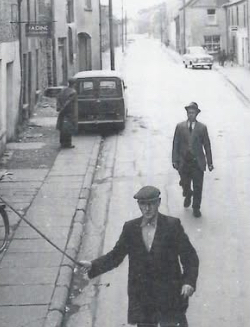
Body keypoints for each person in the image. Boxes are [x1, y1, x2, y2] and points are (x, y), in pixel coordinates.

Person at [78, 186, 199, 327]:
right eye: (142, 204)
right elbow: (116, 256)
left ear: (158, 202)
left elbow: (190, 257)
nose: (147, 209)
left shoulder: (172, 226)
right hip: (143, 298)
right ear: (138, 205)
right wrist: (93, 265)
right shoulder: (130, 228)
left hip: (169, 295)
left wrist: (188, 282)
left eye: (151, 203)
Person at [172, 102, 214, 218]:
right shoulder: (180, 127)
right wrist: (175, 160)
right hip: (184, 162)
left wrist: (210, 163)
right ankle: (187, 194)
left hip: (197, 162)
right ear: (187, 113)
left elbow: (207, 145)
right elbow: (176, 144)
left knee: (198, 186)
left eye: (193, 113)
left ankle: (196, 208)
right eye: (189, 113)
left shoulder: (202, 128)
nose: (191, 115)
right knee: (185, 183)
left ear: (196, 114)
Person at [55, 78, 78, 148]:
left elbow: (58, 98)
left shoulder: (63, 90)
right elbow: (68, 102)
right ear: (74, 84)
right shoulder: (73, 92)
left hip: (62, 112)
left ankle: (62, 142)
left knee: (62, 128)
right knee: (68, 128)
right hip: (69, 112)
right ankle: (68, 144)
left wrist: (59, 107)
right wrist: (63, 108)